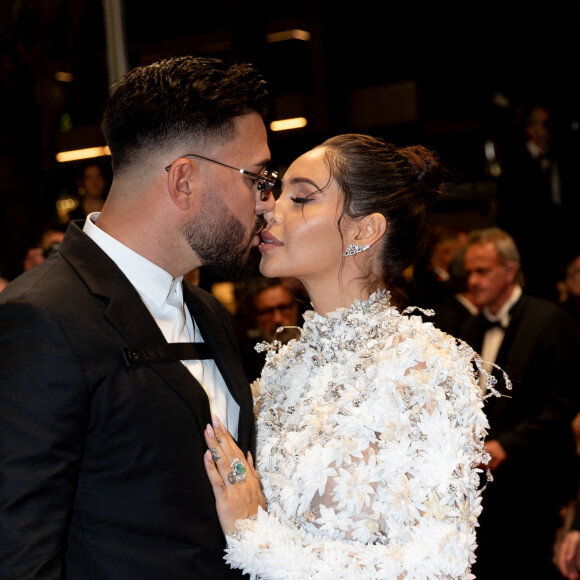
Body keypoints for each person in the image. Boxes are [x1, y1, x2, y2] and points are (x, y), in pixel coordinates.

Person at [0, 55, 277, 579]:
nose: (266, 202)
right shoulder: (40, 318)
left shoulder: (209, 312)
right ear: (183, 181)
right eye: (256, 177)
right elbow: (18, 555)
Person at [202, 134, 493, 578]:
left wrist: (257, 539)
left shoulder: (428, 367)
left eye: (300, 198)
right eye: (279, 192)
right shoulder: (283, 366)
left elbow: (438, 565)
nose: (269, 208)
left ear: (365, 229)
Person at [459, 228, 580, 579]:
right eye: (469, 272)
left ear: (510, 271)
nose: (474, 280)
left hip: (533, 486)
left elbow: (564, 403)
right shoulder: (469, 327)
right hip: (483, 492)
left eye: (483, 271)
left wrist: (507, 445)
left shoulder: (550, 320)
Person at [234, 275, 302, 382]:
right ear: (254, 316)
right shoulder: (245, 363)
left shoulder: (318, 346)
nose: (277, 319)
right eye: (266, 312)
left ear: (295, 307)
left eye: (283, 307)